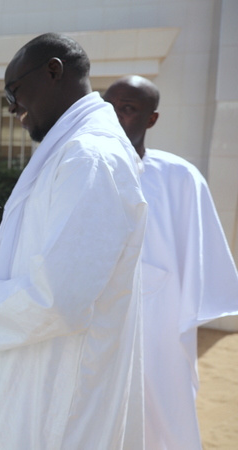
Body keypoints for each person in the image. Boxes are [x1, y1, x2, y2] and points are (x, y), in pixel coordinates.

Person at [0, 33, 147, 449]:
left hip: (58, 388)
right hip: (36, 368)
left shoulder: (89, 157)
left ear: (54, 71)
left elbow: (60, 300)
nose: (13, 107)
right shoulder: (71, 150)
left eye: (12, 92)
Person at [104, 75, 238, 450]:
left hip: (159, 321)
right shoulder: (83, 169)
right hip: (95, 322)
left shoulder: (179, 177)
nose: (114, 118)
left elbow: (200, 256)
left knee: (162, 417)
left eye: (127, 109)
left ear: (152, 119)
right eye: (108, 106)